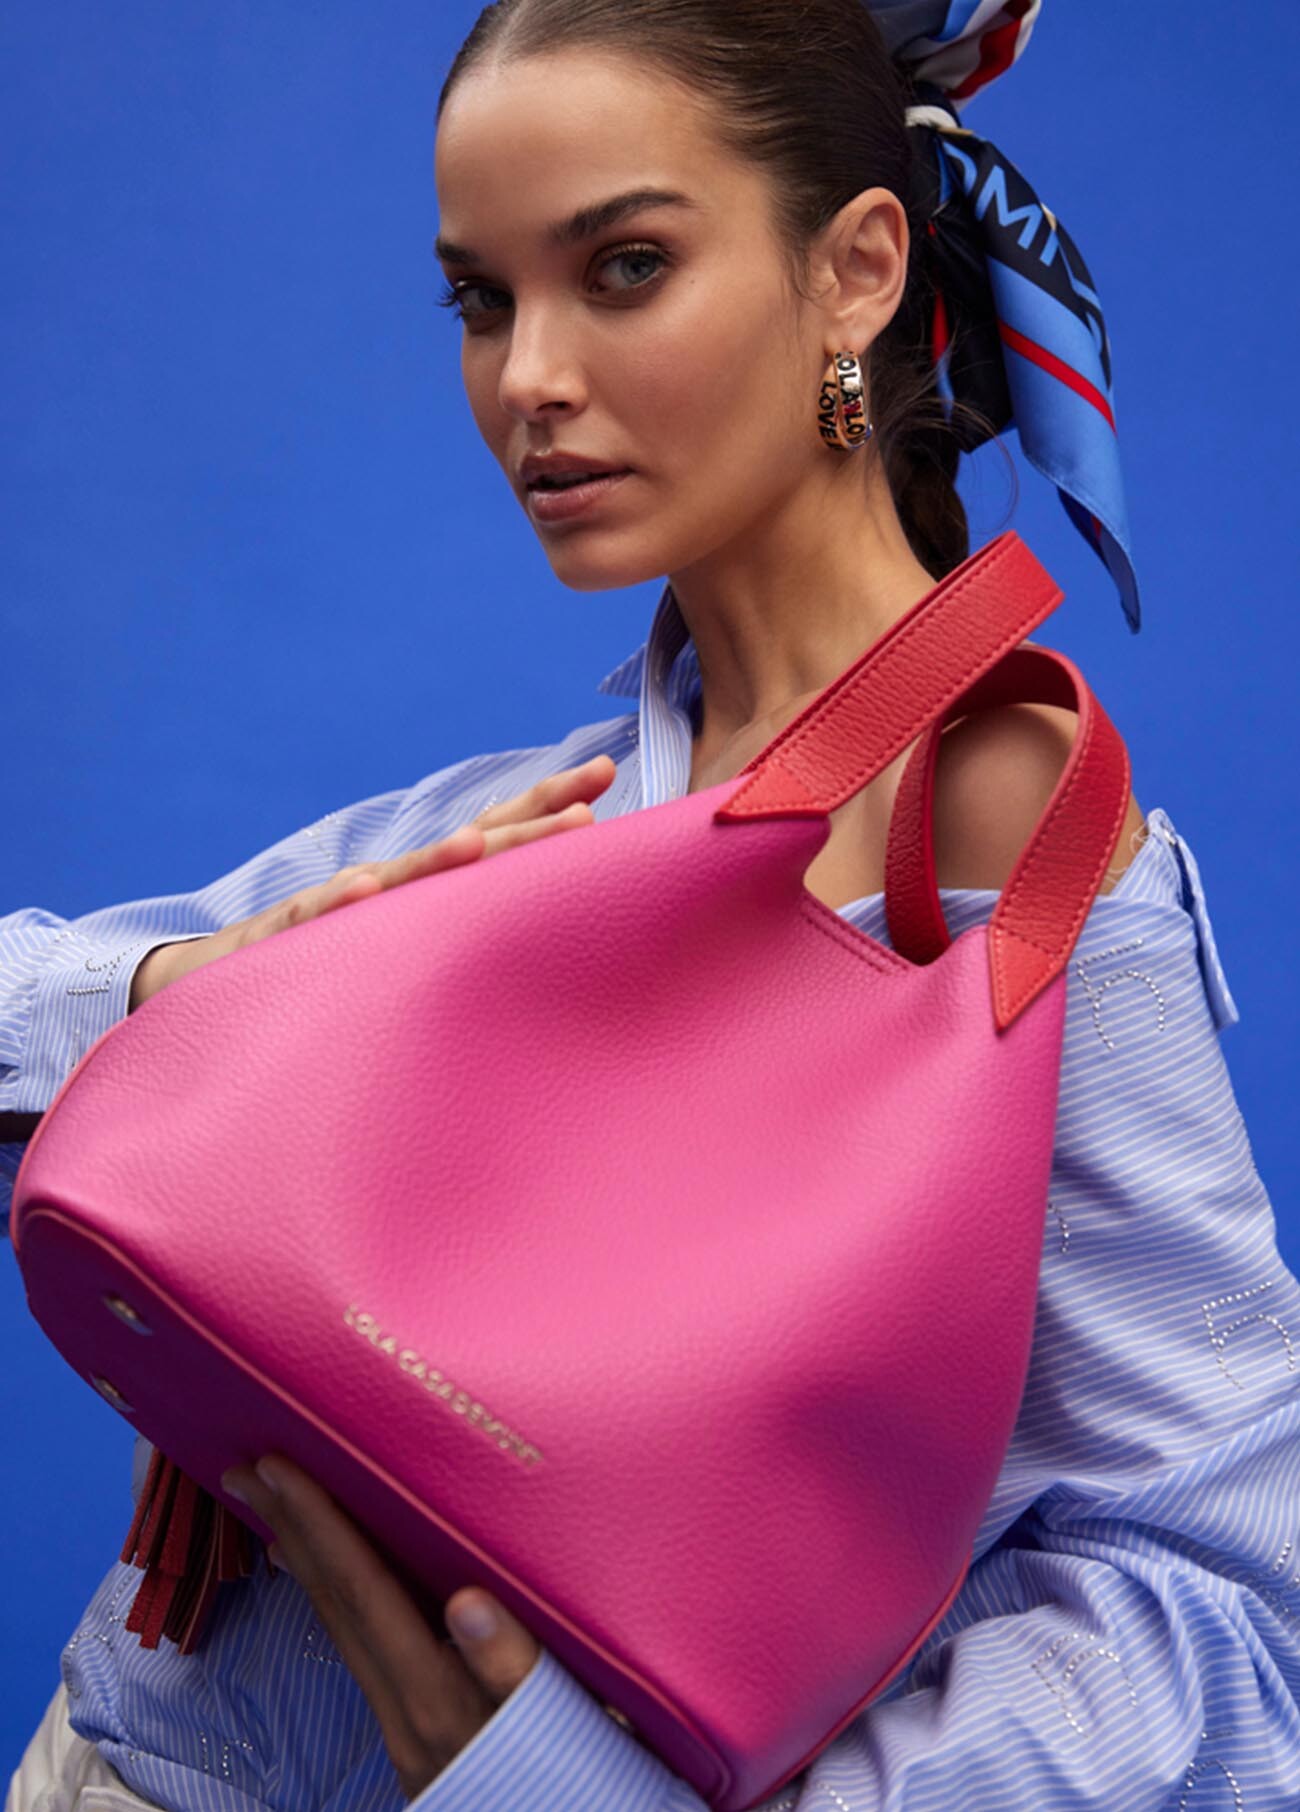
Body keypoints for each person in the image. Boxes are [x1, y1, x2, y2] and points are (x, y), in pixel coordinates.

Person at [5, 1, 1300, 1807]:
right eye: (482, 299)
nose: (527, 378)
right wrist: (185, 994)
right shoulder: (534, 825)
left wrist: (574, 1795)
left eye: (624, 267)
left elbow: (1232, 1620)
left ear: (856, 272)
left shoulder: (1023, 866)